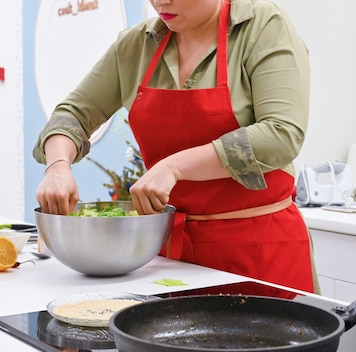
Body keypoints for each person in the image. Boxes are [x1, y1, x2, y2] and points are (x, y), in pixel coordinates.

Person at [34, 0, 319, 293]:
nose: (161, 2)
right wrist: (57, 166)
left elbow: (282, 133)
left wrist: (174, 167)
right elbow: (73, 113)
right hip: (170, 260)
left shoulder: (262, 25)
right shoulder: (136, 45)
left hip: (260, 254)